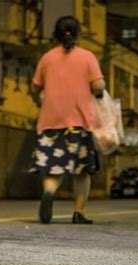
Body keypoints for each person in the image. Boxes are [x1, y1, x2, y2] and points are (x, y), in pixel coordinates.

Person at [29, 16, 105, 224]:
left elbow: (34, 87)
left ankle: (49, 192)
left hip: (49, 122)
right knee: (81, 171)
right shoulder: (87, 57)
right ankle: (78, 212)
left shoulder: (47, 58)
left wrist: (40, 98)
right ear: (78, 33)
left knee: (53, 168)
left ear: (56, 34)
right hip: (78, 123)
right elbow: (98, 86)